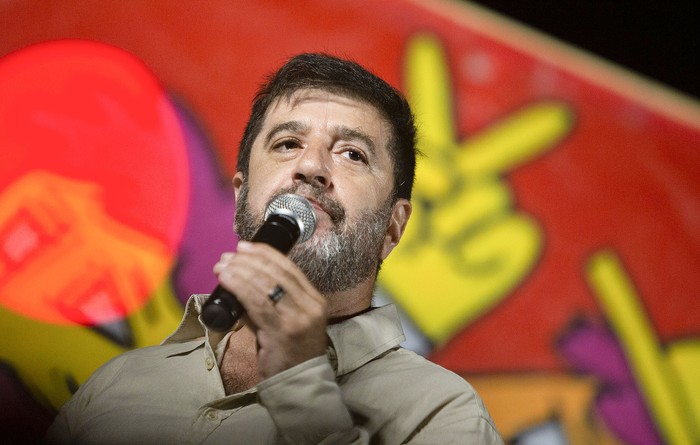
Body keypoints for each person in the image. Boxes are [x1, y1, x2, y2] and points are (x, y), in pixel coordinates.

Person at [46, 53, 504, 444]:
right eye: (287, 143)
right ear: (242, 195)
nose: (310, 167)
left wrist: (302, 382)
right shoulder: (122, 381)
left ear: (393, 228)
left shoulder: (441, 411)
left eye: (352, 154)